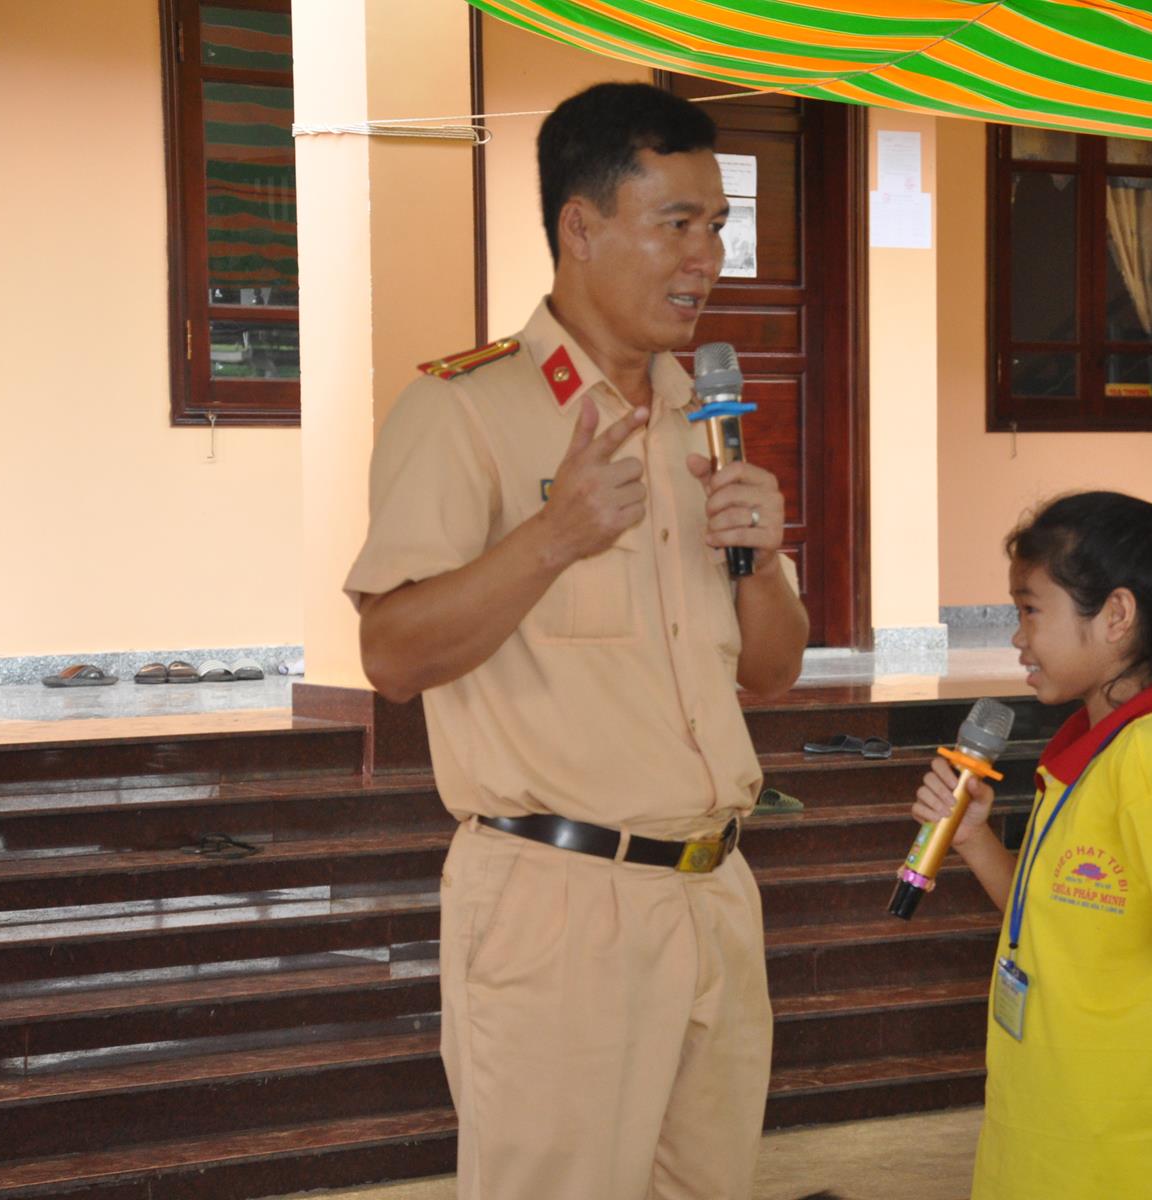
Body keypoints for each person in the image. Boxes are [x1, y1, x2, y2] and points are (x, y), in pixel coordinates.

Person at [344, 82, 809, 1200]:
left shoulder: (704, 417)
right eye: (677, 224)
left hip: (713, 891)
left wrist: (760, 560)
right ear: (580, 227)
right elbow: (392, 655)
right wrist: (551, 539)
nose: (707, 258)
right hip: (558, 906)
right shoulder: (463, 411)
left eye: (717, 226)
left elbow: (772, 671)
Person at [911, 490, 1152, 1199]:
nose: (1017, 638)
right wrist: (974, 840)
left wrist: (1149, 1022)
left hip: (1118, 1150)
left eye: (1030, 610)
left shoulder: (1150, 763)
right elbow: (1053, 922)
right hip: (1047, 1131)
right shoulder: (1089, 755)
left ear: (1116, 615)